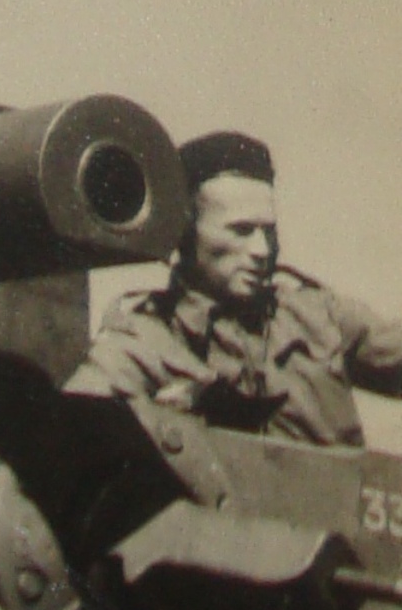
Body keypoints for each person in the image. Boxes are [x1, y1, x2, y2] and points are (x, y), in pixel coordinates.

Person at [65, 130, 402, 445]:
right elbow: (72, 433)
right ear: (186, 232)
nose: (262, 250)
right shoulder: (143, 342)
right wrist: (155, 422)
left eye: (268, 231)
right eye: (241, 230)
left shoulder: (319, 317)